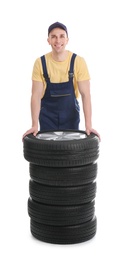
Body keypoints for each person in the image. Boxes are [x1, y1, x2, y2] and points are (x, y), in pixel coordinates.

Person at [22, 21, 100, 140]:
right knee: (48, 155)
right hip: (47, 116)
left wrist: (88, 125)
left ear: (67, 39)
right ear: (48, 40)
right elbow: (36, 95)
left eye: (62, 36)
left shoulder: (78, 61)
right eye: (53, 37)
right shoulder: (40, 62)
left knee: (70, 154)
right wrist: (34, 125)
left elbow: (85, 95)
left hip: (70, 116)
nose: (58, 41)